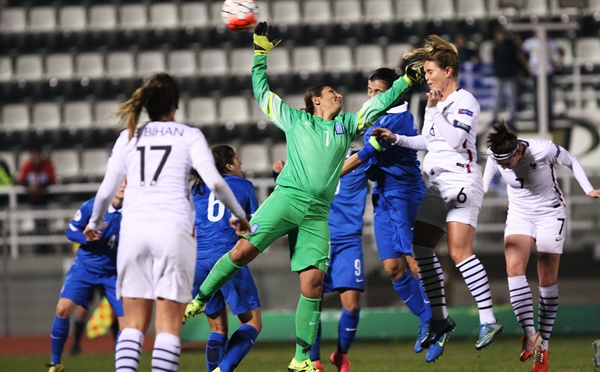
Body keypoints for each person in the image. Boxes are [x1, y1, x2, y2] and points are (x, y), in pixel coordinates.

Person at [182, 22, 423, 372]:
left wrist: (406, 81)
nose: (339, 96)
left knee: (312, 285)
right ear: (315, 100)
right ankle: (200, 299)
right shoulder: (295, 120)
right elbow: (261, 92)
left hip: (316, 214)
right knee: (242, 251)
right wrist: (260, 56)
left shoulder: (346, 126)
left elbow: (379, 104)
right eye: (332, 93)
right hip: (287, 199)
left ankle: (301, 359)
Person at [83, 72, 250, 372]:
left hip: (134, 233)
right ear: (176, 103)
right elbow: (216, 182)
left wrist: (95, 221)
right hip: (173, 233)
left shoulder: (128, 136)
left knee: (132, 325)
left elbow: (107, 188)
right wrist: (238, 215)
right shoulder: (189, 136)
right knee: (168, 326)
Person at [372, 34, 504, 354]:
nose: (427, 77)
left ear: (448, 71)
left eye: (430, 71)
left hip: (462, 180)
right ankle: (440, 318)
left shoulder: (464, 100)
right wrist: (397, 138)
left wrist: (433, 113)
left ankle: (488, 318)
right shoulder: (439, 104)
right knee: (420, 249)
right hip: (439, 183)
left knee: (459, 252)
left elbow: (456, 139)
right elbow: (429, 142)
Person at [482, 121, 600, 372]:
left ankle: (543, 346)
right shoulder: (497, 157)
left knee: (546, 279)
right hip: (519, 215)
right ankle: (529, 335)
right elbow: (487, 176)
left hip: (550, 214)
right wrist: (475, 192)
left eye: (506, 162)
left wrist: (588, 189)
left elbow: (571, 161)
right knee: (514, 269)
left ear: (519, 153)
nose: (502, 166)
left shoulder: (542, 149)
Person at [341, 67, 441, 362]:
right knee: (392, 268)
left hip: (405, 195)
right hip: (382, 197)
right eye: (369, 91)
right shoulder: (376, 117)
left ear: (392, 93)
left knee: (415, 262)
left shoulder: (399, 118)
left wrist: (331, 170)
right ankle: (426, 319)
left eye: (378, 92)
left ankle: (438, 322)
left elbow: (365, 157)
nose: (371, 97)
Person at [274, 144, 370, 372]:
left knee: (352, 304)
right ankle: (313, 358)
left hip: (349, 240)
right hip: (318, 236)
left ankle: (341, 354)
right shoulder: (314, 155)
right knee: (313, 299)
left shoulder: (362, 157)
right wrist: (277, 172)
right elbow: (292, 182)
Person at [187, 145, 262, 372]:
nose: (241, 164)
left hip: (197, 260)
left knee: (217, 328)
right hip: (227, 258)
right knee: (252, 322)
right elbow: (257, 223)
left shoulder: (196, 189)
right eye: (238, 160)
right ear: (229, 165)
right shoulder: (244, 186)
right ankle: (224, 369)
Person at [47, 179, 127, 372]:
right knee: (62, 309)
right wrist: (84, 237)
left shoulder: (135, 213)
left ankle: (124, 367)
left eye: (128, 182)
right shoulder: (92, 206)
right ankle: (55, 362)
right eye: (121, 181)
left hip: (113, 273)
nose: (124, 185)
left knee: (128, 325)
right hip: (85, 268)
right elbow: (70, 231)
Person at [16, 148, 56, 253]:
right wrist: (30, 185)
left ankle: (45, 249)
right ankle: (38, 248)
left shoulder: (47, 165)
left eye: (37, 156)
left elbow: (52, 180)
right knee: (37, 224)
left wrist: (39, 186)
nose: (35, 158)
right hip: (32, 199)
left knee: (44, 223)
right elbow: (21, 181)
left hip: (45, 199)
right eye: (33, 156)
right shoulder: (27, 166)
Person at [521, 30, 562, 129]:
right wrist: (526, 64)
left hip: (548, 72)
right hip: (536, 72)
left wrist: (558, 63)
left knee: (549, 97)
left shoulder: (550, 42)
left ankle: (549, 120)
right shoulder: (530, 42)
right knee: (537, 97)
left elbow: (561, 52)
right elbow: (521, 52)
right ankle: (538, 120)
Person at [491, 27, 527, 127]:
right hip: (500, 75)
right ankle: (494, 116)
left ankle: (512, 116)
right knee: (497, 96)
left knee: (511, 96)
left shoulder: (511, 46)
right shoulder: (496, 47)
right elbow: (495, 61)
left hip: (510, 74)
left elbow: (516, 59)